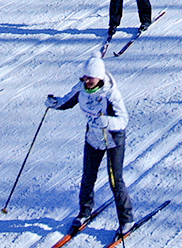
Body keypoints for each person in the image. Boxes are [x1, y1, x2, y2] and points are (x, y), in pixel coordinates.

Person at [45, 55, 133, 233]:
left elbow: (123, 120)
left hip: (113, 139)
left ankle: (126, 220)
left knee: (116, 181)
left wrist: (107, 122)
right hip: (93, 137)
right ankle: (84, 212)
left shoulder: (111, 93)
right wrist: (54, 103)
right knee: (88, 178)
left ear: (99, 77)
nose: (87, 81)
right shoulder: (82, 88)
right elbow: (66, 101)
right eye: (85, 77)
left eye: (90, 78)